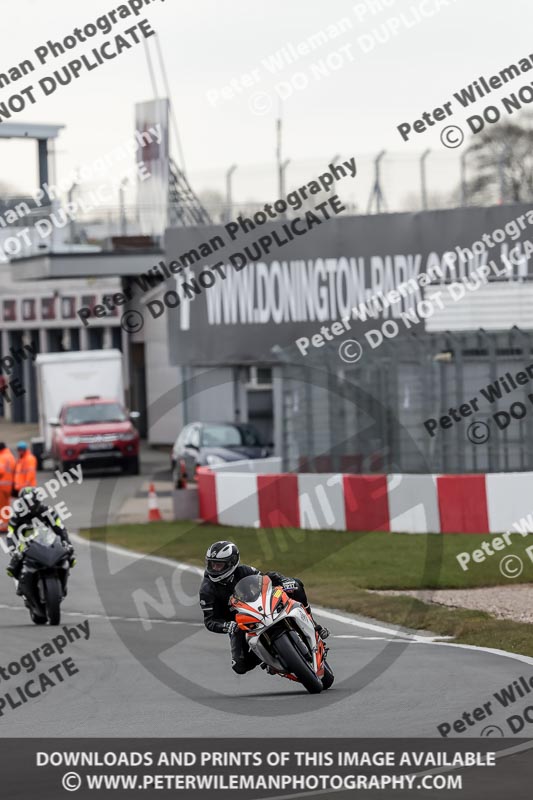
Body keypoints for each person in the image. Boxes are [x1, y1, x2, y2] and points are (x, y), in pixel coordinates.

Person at [199, 540, 329, 675]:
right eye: (211, 564)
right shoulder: (207, 589)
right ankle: (266, 658)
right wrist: (227, 626)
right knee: (239, 666)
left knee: (296, 585)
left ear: (232, 562)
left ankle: (314, 626)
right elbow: (210, 621)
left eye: (218, 565)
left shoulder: (244, 571)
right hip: (240, 624)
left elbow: (265, 578)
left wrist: (282, 580)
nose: (214, 568)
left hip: (262, 607)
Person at [5, 487, 75, 593]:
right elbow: (10, 534)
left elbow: (59, 527)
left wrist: (66, 542)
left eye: (33, 502)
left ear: (38, 501)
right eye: (27, 503)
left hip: (45, 539)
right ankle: (19, 582)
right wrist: (12, 549)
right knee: (14, 562)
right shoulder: (17, 515)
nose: (31, 506)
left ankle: (64, 577)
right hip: (25, 542)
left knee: (68, 552)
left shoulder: (47, 510)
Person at [0, 442, 15, 533]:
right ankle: (7, 524)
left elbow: (0, 471)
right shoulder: (11, 456)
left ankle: (2, 526)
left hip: (1, 486)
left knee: (1, 507)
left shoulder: (2, 457)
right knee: (6, 506)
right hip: (9, 486)